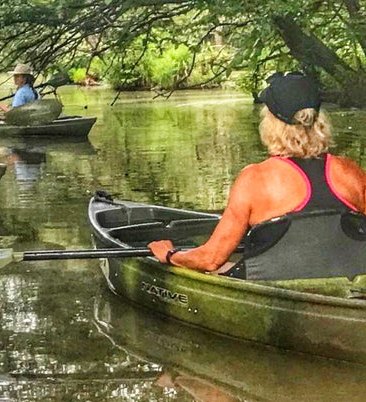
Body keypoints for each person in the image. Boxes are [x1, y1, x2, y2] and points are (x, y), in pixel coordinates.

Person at [148, 71, 366, 273]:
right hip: (340, 286)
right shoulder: (351, 173)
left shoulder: (254, 180)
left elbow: (211, 259)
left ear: (271, 123)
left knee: (221, 267)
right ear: (320, 120)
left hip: (272, 288)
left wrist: (170, 254)